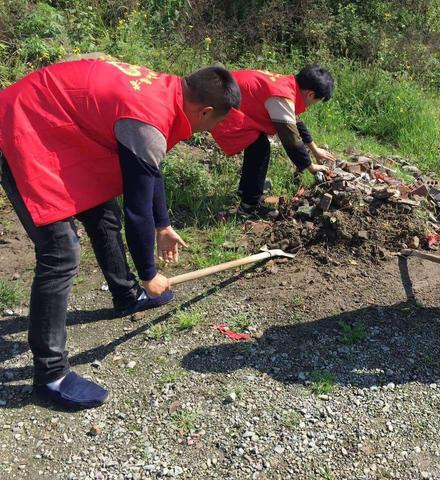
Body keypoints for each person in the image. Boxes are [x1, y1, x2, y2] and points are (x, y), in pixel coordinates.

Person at [0, 57, 240, 408]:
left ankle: (125, 295)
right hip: (21, 127)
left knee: (103, 213)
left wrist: (164, 225)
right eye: (213, 124)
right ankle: (50, 378)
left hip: (59, 128)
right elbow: (137, 209)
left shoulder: (167, 91)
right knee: (60, 252)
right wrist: (150, 274)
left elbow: (150, 169)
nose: (207, 131)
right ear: (204, 111)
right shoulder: (148, 119)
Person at [211, 65, 335, 216]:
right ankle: (249, 207)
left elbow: (295, 122)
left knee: (257, 143)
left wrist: (315, 150)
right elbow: (291, 140)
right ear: (310, 94)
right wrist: (310, 167)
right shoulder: (282, 97)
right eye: (317, 100)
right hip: (219, 105)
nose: (312, 105)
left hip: (221, 95)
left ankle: (247, 191)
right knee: (259, 146)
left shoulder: (287, 85)